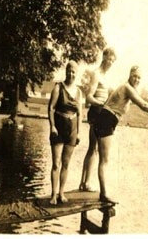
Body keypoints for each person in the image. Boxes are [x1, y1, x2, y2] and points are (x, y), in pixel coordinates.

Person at [94, 65, 148, 203]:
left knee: (103, 159)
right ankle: (104, 194)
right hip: (106, 119)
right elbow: (144, 105)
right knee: (104, 160)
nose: (136, 79)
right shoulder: (127, 88)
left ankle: (102, 192)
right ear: (130, 75)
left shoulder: (127, 88)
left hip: (106, 119)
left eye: (139, 77)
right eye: (135, 76)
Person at [79, 48, 116, 192]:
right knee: (92, 148)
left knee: (93, 148)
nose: (111, 63)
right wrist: (101, 104)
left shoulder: (106, 76)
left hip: (102, 113)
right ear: (104, 57)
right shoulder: (96, 74)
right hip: (96, 112)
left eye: (113, 61)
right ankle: (85, 183)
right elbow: (88, 97)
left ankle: (84, 182)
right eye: (109, 59)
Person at [48, 60, 82, 205]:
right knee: (56, 163)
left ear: (76, 74)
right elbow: (51, 108)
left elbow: (80, 113)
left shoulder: (79, 92)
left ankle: (62, 193)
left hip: (72, 131)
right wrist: (52, 127)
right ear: (66, 71)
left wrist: (78, 132)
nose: (71, 74)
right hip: (58, 129)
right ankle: (53, 194)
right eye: (69, 71)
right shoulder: (58, 87)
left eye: (74, 71)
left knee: (66, 164)